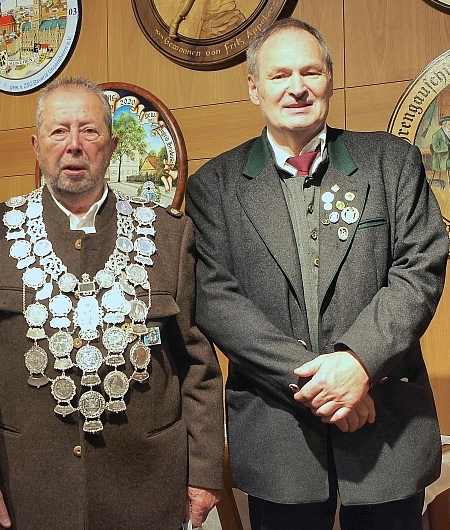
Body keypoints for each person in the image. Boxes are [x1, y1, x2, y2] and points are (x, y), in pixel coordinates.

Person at [186, 18, 447, 530]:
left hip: (387, 431)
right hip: (279, 441)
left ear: (329, 78)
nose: (297, 87)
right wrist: (322, 384)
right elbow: (216, 299)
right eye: (280, 74)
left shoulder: (391, 162)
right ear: (254, 87)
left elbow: (420, 269)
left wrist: (358, 362)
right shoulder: (212, 186)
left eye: (311, 71)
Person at [0, 77, 224, 530]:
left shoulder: (169, 234)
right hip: (27, 487)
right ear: (36, 146)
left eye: (89, 130)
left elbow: (198, 366)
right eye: (58, 131)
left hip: (146, 485)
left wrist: (204, 473)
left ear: (112, 145)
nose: (74, 145)